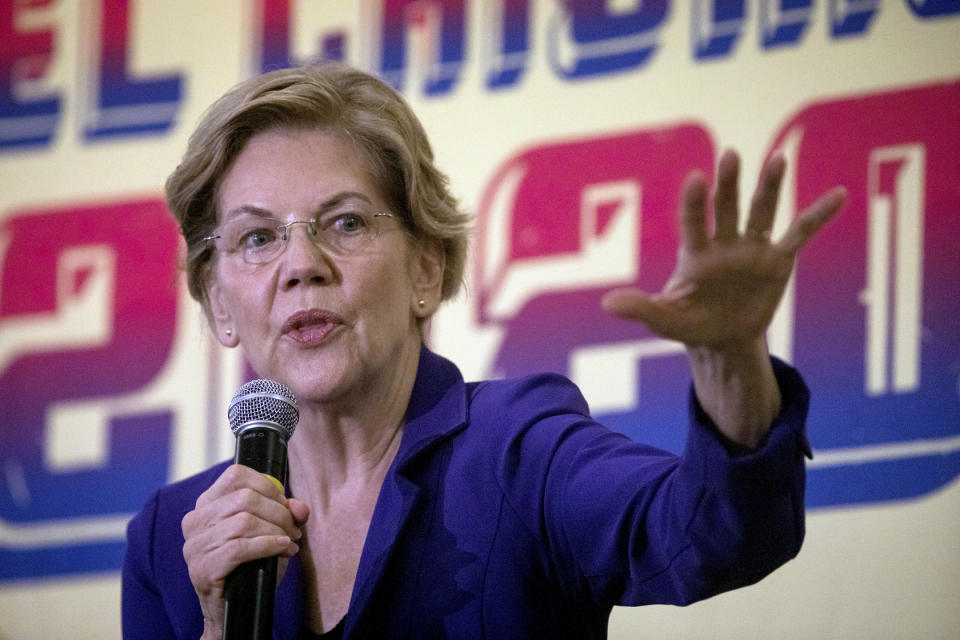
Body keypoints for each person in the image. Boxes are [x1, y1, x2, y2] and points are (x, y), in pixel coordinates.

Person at [121, 62, 846, 639]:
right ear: (219, 303)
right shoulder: (169, 539)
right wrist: (218, 628)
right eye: (256, 237)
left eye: (343, 223)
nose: (302, 263)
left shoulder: (517, 453)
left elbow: (713, 534)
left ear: (426, 271)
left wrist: (729, 360)